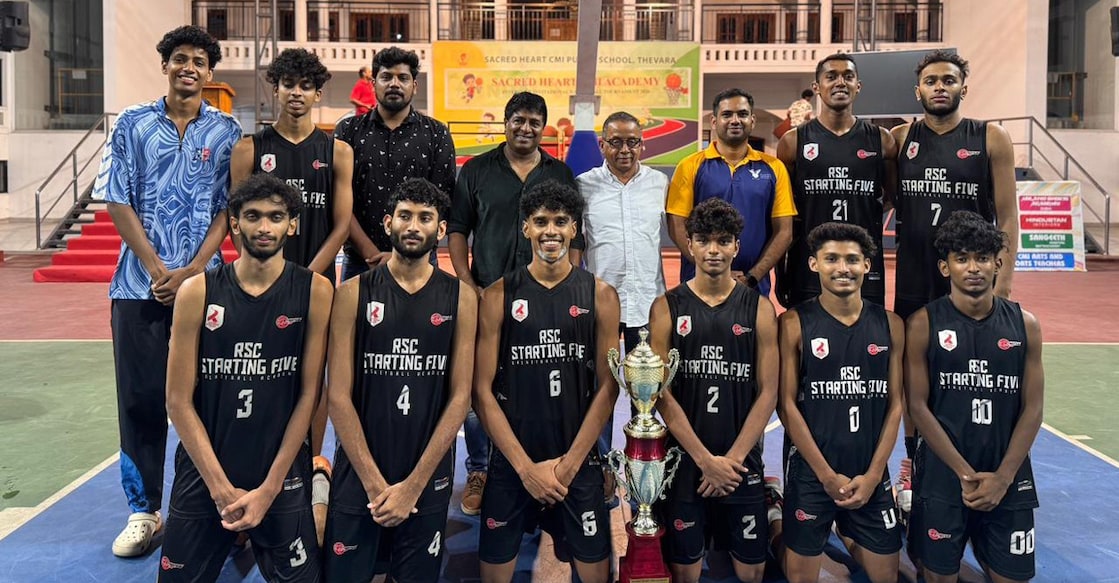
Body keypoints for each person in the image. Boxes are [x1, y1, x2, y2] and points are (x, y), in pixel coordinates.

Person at [97, 25, 242, 558]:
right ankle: (144, 512)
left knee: (214, 398)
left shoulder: (227, 131)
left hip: (206, 290)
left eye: (199, 61)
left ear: (210, 72)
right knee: (139, 400)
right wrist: (159, 267)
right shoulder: (133, 125)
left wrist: (195, 270)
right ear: (166, 65)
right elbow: (116, 198)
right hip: (138, 286)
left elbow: (230, 209)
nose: (188, 68)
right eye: (179, 58)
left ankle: (214, 501)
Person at [158, 174, 332, 581]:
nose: (264, 227)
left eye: (276, 217)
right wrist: (220, 489)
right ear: (234, 223)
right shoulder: (197, 292)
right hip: (206, 472)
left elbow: (309, 395)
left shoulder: (316, 291)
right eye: (252, 216)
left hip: (279, 471)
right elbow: (177, 401)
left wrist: (271, 488)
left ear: (293, 224)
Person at [323, 178, 477, 582]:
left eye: (425, 218)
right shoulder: (353, 292)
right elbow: (337, 396)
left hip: (426, 472)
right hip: (360, 469)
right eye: (405, 216)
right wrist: (374, 483)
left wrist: (412, 486)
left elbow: (461, 397)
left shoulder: (461, 297)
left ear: (441, 229)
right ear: (388, 222)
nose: (414, 225)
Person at [229, 47, 354, 545]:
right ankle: (252, 477)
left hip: (314, 287)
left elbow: (341, 224)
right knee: (261, 375)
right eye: (287, 84)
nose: (296, 93)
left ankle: (309, 464)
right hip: (257, 287)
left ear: (318, 93)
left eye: (306, 86)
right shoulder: (249, 148)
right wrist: (273, 278)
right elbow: (237, 216)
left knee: (314, 377)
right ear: (274, 89)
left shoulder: (337, 151)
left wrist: (302, 279)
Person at [472, 180, 620, 583]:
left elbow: (609, 387)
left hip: (577, 460)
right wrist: (525, 469)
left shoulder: (601, 295)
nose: (550, 231)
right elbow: (481, 391)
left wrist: (569, 466)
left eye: (560, 221)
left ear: (575, 229)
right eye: (540, 221)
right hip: (514, 461)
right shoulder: (498, 296)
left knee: (596, 576)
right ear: (526, 228)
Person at [890, 50, 1019, 509]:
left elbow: (1007, 214)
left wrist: (1002, 283)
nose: (939, 87)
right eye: (930, 81)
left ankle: (979, 462)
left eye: (948, 80)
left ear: (964, 87)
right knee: (912, 377)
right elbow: (882, 202)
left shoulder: (992, 138)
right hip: (914, 277)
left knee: (970, 374)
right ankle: (912, 463)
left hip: (970, 283)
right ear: (917, 90)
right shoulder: (901, 139)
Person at [447, 91, 580, 515]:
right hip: (489, 295)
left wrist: (572, 286)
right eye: (518, 120)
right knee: (478, 386)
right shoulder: (477, 170)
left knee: (540, 383)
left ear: (545, 127)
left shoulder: (559, 172)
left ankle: (552, 465)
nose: (526, 128)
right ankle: (481, 468)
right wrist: (468, 284)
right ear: (505, 123)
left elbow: (576, 234)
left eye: (534, 122)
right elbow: (457, 231)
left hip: (547, 301)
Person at [905, 210, 1043, 583]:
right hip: (944, 476)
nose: (974, 268)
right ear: (945, 267)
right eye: (962, 258)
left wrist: (1004, 476)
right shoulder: (922, 324)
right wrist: (963, 472)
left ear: (998, 263)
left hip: (1008, 473)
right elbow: (917, 405)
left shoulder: (1025, 324)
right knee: (937, 577)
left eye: (982, 257)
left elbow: (1033, 407)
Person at [649, 199, 782, 583]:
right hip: (687, 459)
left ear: (736, 247)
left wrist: (733, 459)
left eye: (723, 241)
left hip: (740, 460)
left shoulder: (758, 309)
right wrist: (705, 460)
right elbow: (659, 393)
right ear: (688, 244)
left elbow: (768, 390)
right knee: (685, 571)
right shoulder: (666, 307)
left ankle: (772, 509)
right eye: (704, 240)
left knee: (752, 571)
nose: (713, 250)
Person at [776, 222, 904, 583]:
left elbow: (896, 405)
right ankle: (775, 521)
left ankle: (846, 530)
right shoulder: (793, 323)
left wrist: (876, 474)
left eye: (852, 259)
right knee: (801, 578)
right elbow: (786, 406)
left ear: (867, 266)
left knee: (886, 576)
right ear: (814, 264)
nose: (842, 268)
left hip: (869, 470)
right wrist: (826, 476)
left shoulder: (892, 325)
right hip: (812, 472)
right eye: (831, 258)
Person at [777, 54, 897, 309]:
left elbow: (892, 196)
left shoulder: (882, 140)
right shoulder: (792, 141)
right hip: (809, 263)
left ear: (858, 86)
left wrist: (862, 209)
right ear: (817, 87)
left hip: (863, 263)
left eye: (848, 77)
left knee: (866, 342)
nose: (840, 82)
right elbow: (783, 212)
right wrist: (781, 272)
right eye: (831, 77)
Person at [335, 46, 456, 281]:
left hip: (420, 261)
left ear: (414, 85)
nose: (394, 84)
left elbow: (442, 200)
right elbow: (339, 201)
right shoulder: (348, 131)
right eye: (386, 77)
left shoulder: (436, 134)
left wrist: (400, 257)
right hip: (361, 262)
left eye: (403, 78)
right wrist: (371, 253)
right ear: (373, 84)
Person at [666, 88, 796, 298]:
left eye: (742, 114)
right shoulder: (690, 166)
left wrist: (753, 276)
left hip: (752, 289)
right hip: (698, 286)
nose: (735, 120)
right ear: (714, 121)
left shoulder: (774, 168)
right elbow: (676, 225)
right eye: (727, 114)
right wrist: (711, 270)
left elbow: (784, 231)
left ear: (752, 120)